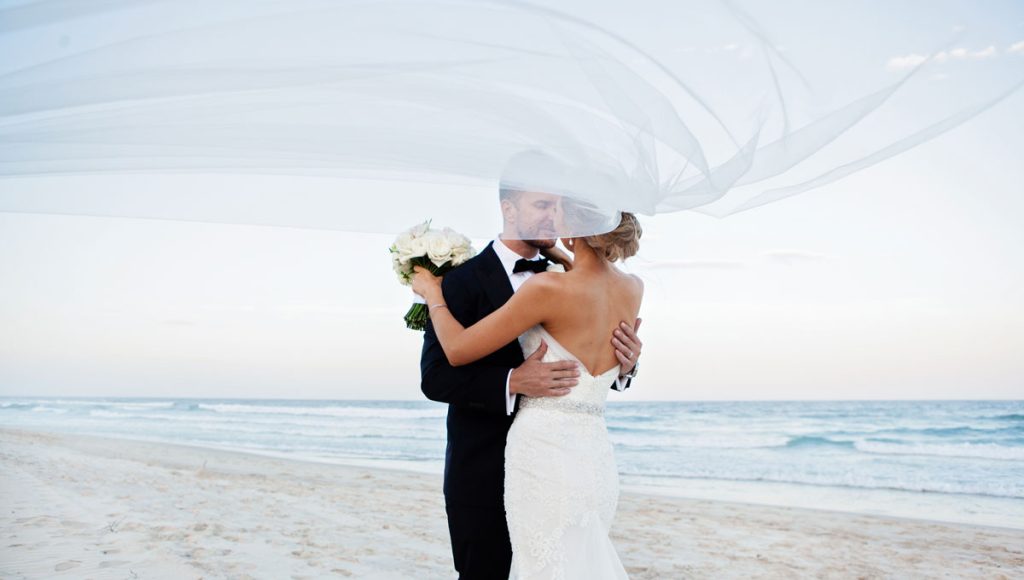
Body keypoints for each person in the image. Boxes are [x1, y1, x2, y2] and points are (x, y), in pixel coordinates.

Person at [416, 193, 643, 578]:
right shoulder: (631, 286)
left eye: (558, 208)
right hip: (505, 467)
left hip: (541, 458)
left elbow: (457, 348)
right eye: (542, 205)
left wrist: (432, 297)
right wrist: (510, 381)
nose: (552, 217)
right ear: (509, 209)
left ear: (575, 227)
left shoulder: (548, 285)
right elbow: (435, 376)